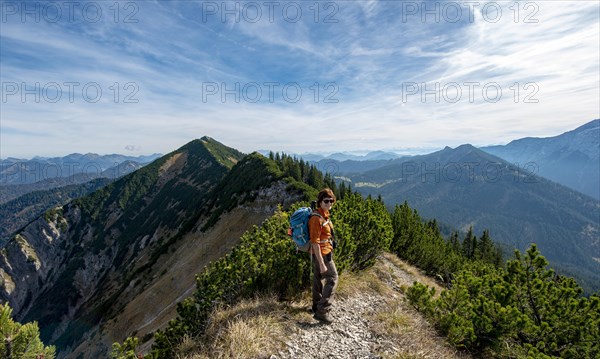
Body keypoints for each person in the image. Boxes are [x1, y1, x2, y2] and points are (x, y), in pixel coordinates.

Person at [309, 188, 338, 324]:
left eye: (331, 201)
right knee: (332, 278)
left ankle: (316, 306)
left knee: (318, 278)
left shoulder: (323, 215)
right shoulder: (316, 218)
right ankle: (322, 311)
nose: (329, 203)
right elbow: (315, 242)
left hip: (323, 252)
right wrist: (321, 262)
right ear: (320, 202)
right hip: (323, 254)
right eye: (326, 201)